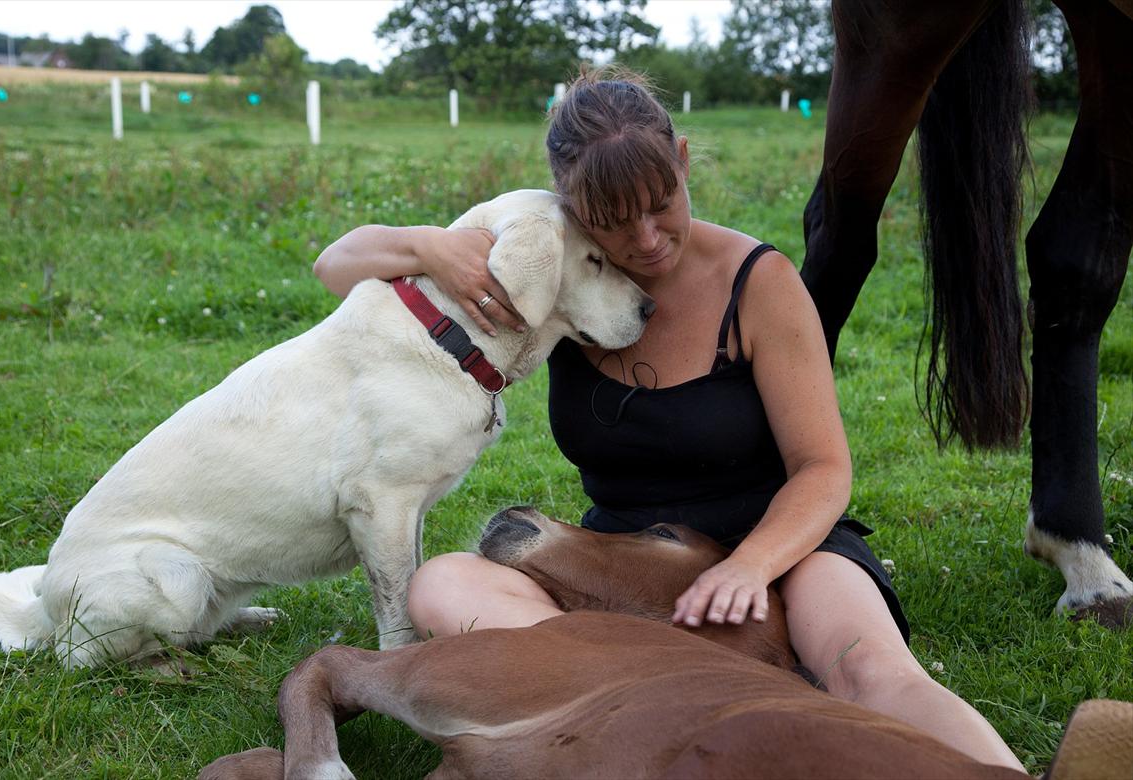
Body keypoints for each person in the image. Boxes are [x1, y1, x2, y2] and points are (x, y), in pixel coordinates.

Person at [312, 68, 1024, 771]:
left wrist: (748, 567)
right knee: (442, 585)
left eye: (661, 204)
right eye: (614, 222)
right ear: (572, 208)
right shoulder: (556, 265)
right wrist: (430, 247)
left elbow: (823, 469)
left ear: (682, 162)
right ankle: (678, 697)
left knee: (874, 672)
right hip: (625, 558)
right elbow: (334, 266)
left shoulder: (759, 282)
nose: (647, 238)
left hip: (783, 548)